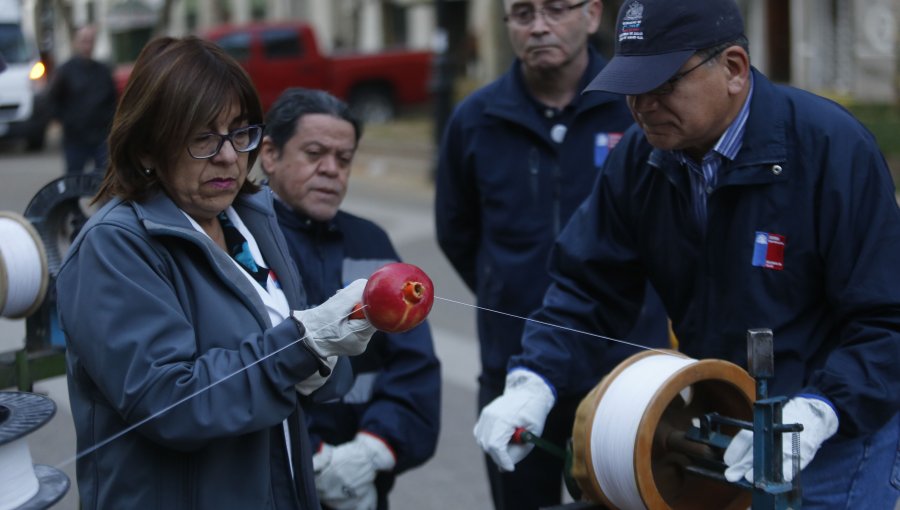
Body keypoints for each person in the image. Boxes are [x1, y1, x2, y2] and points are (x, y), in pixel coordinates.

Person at [474, 0, 900, 507]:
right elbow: (587, 286)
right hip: (719, 424)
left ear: (734, 69)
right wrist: (534, 381)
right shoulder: (639, 158)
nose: (641, 106)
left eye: (662, 85)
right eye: (631, 88)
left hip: (834, 441)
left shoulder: (831, 149)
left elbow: (886, 319)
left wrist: (821, 410)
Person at [56, 36, 377, 510]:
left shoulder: (250, 220)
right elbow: (172, 403)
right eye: (203, 137)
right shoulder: (114, 246)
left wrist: (327, 352)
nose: (229, 155)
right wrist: (302, 345)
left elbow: (296, 369)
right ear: (147, 148)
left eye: (239, 131)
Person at [434, 1, 669, 508]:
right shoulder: (475, 120)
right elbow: (457, 232)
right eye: (522, 13)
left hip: (622, 373)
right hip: (512, 364)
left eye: (556, 9)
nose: (539, 25)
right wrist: (507, 289)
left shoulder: (638, 108)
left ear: (591, 15)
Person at [260, 87, 441, 510]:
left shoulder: (371, 242)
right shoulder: (242, 242)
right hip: (272, 485)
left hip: (362, 481)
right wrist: (313, 456)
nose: (331, 170)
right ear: (269, 153)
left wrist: (374, 449)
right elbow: (239, 369)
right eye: (314, 153)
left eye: (344, 159)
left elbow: (415, 363)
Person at [46, 25, 117, 174]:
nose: (87, 45)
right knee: (73, 181)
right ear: (76, 42)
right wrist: (65, 120)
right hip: (75, 139)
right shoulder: (65, 71)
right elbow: (52, 100)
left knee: (104, 180)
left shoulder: (103, 71)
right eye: (84, 40)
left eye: (91, 41)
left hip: (101, 138)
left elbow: (113, 100)